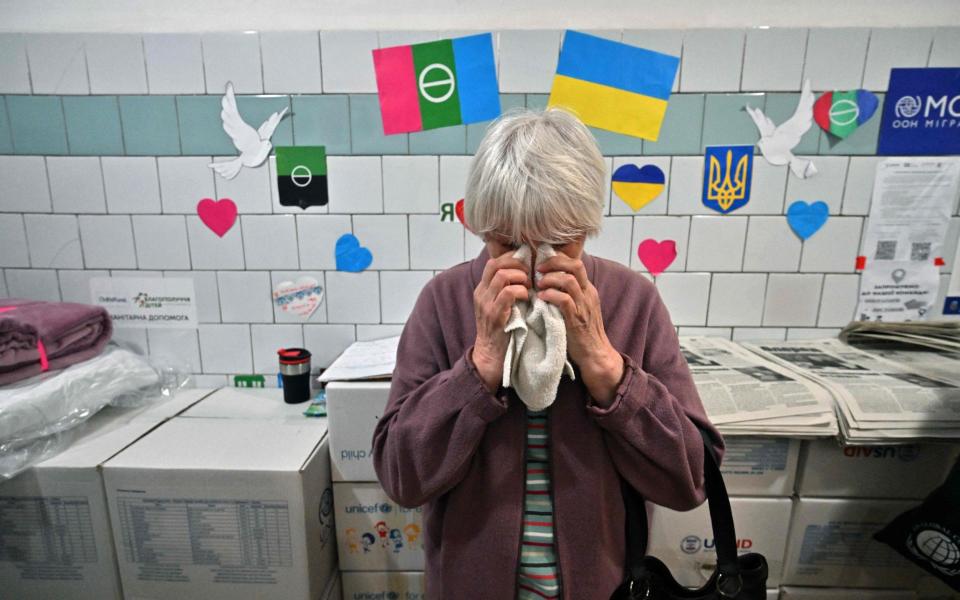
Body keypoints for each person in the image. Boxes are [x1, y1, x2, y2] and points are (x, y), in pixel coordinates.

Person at [372, 108, 724, 600]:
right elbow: (400, 477)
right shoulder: (444, 301)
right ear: (478, 226)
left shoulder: (631, 300)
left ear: (588, 227)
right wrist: (479, 368)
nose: (533, 263)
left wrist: (605, 365)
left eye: (561, 243)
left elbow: (690, 480)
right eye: (508, 242)